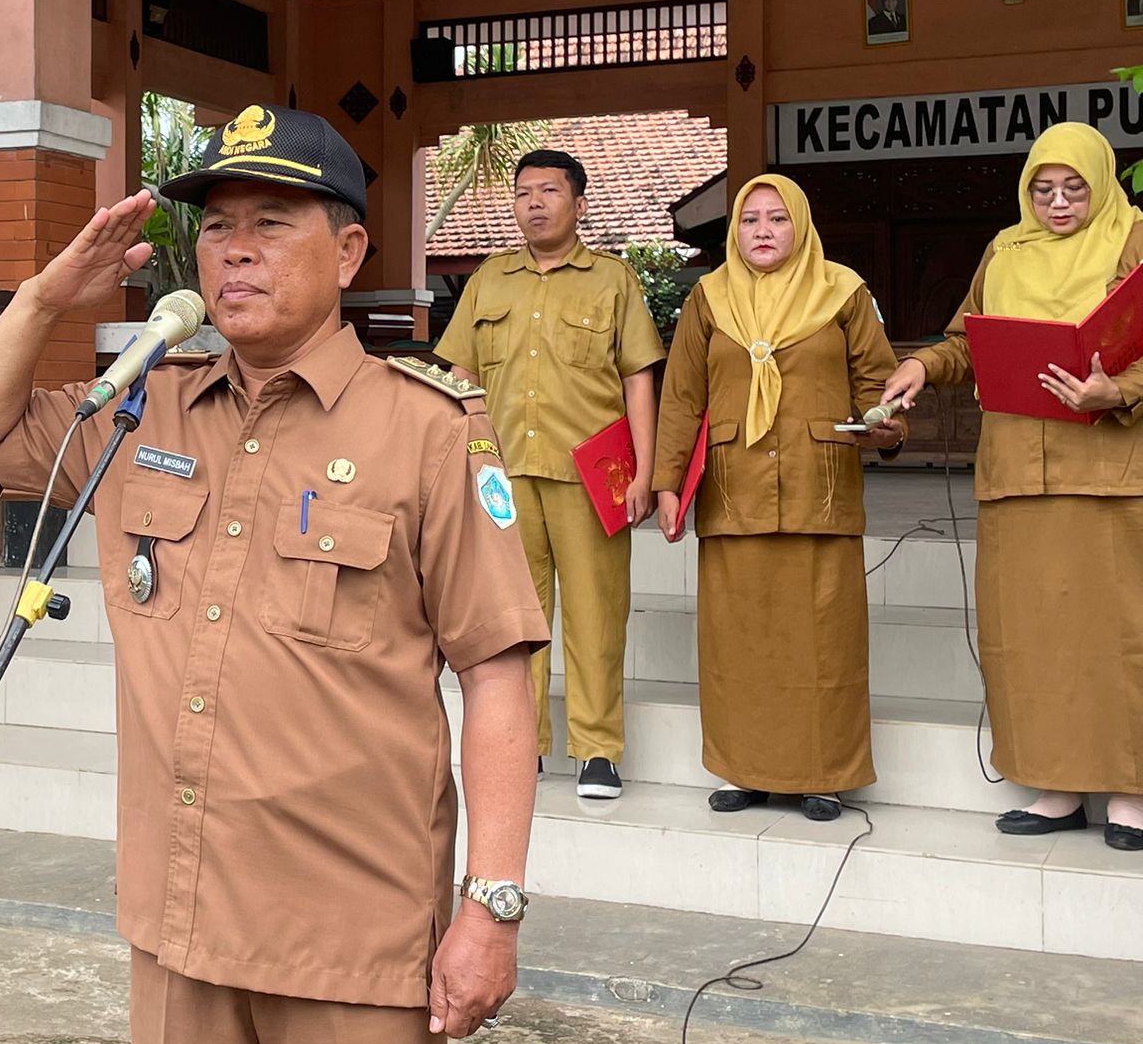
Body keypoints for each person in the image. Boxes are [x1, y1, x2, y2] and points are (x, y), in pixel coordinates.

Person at [0, 104, 550, 1044]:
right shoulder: (140, 411)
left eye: (272, 220)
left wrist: (490, 907)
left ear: (348, 251)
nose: (237, 249)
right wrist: (42, 298)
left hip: (348, 939)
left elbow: (496, 672)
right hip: (180, 930)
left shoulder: (427, 428)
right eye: (216, 227)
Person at [881, 122, 1143, 850]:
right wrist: (924, 368)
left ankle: (1132, 791)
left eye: (1074, 187)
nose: (1058, 203)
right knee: (1033, 639)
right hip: (1018, 472)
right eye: (1043, 188)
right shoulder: (1005, 249)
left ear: (1101, 182)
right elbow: (970, 339)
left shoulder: (1134, 239)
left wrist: (1116, 391)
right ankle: (1057, 785)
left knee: (1122, 635)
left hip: (1110, 472)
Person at [653, 175, 902, 822]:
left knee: (825, 643)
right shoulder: (708, 299)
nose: (763, 230)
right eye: (750, 220)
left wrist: (887, 421)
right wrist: (667, 484)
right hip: (733, 493)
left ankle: (824, 775)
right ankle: (744, 769)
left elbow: (879, 383)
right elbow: (682, 399)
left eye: (778, 219)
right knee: (739, 645)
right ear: (734, 231)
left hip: (820, 489)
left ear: (802, 226)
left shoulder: (843, 291)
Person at [432, 149, 664, 801]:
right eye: (523, 192)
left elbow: (637, 378)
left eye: (549, 191)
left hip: (592, 474)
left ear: (579, 204)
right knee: (512, 619)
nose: (534, 203)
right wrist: (461, 459)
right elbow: (461, 377)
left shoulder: (612, 281)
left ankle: (597, 751)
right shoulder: (490, 279)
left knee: (596, 616)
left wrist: (646, 468)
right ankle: (520, 745)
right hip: (504, 476)